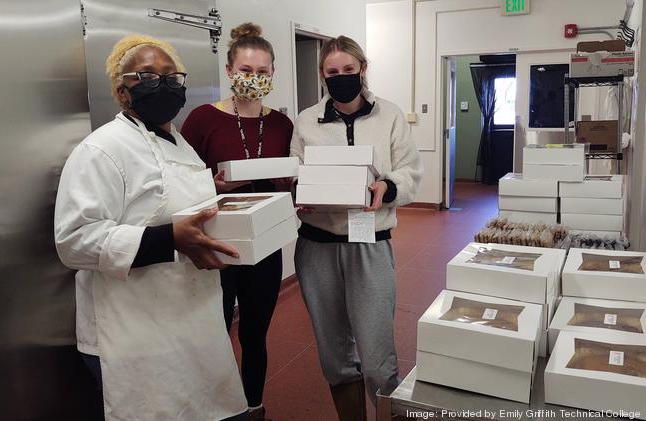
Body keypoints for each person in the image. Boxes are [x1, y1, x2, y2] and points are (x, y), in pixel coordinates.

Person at [54, 34, 248, 421]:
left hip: (193, 319)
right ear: (123, 92)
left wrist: (214, 191)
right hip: (136, 332)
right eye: (146, 77)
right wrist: (169, 240)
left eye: (171, 77)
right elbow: (74, 241)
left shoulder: (178, 142)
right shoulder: (101, 149)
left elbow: (161, 198)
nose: (163, 85)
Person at [290, 35, 423, 421]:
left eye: (349, 69)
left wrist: (387, 185)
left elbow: (410, 170)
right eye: (333, 72)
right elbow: (296, 171)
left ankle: (386, 411)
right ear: (322, 76)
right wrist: (301, 191)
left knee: (378, 357)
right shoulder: (306, 120)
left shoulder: (390, 115)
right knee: (334, 355)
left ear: (363, 69)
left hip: (370, 242)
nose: (342, 77)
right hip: (317, 246)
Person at [181, 23, 292, 421]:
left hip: (264, 242)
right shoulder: (202, 119)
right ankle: (216, 408)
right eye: (247, 70)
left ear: (273, 74)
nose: (255, 79)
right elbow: (181, 181)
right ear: (230, 71)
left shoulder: (281, 124)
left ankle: (253, 405)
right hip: (217, 243)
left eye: (263, 72)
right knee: (215, 330)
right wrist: (210, 183)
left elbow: (287, 182)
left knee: (255, 334)